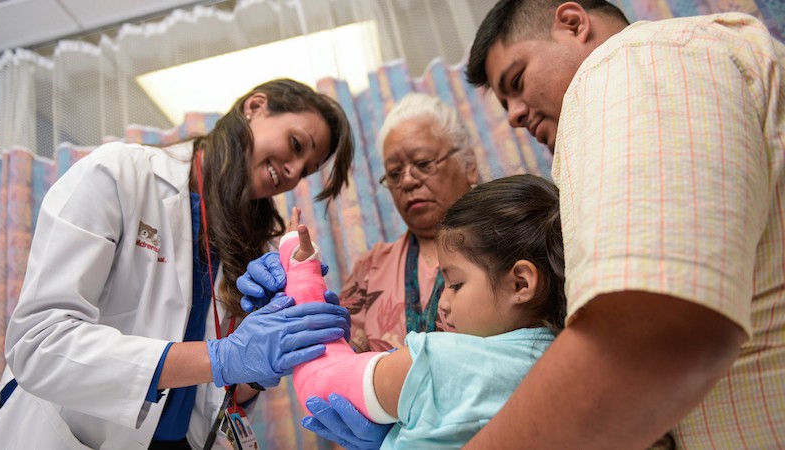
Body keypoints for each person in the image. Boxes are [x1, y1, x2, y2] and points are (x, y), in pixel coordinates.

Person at [459, 1, 785, 448]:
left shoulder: (632, 60)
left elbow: (649, 337)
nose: (514, 115)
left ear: (572, 24)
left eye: (516, 81)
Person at [0, 78, 355, 449]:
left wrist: (261, 365)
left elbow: (218, 397)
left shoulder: (255, 247)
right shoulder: (120, 175)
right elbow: (38, 343)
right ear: (255, 107)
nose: (293, 172)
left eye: (305, 170)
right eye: (295, 145)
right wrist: (222, 357)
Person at [280, 175, 566, 449]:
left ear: (520, 283)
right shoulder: (569, 361)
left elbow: (320, 383)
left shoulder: (440, 364)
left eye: (455, 284)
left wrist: (301, 274)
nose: (443, 302)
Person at [239, 91, 480, 352]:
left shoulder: (514, 238)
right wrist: (297, 291)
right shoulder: (371, 270)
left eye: (423, 163)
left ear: (469, 164)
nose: (408, 181)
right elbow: (336, 356)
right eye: (395, 173)